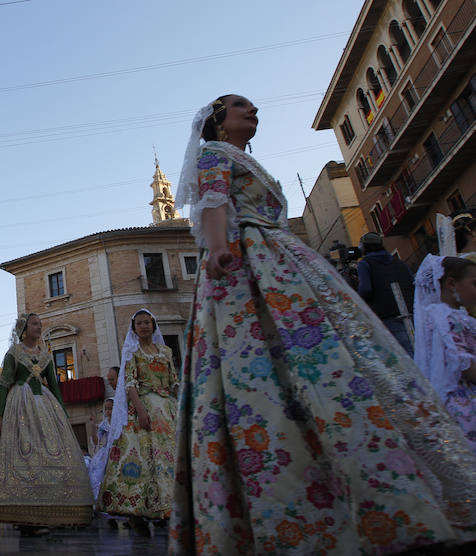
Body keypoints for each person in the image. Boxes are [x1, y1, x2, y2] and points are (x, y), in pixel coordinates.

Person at [168, 94, 476, 553]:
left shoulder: (243, 159)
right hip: (249, 265)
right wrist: (216, 248)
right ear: (218, 119)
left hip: (283, 262)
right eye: (240, 106)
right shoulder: (214, 154)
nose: (252, 111)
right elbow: (214, 202)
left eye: (254, 106)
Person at [0, 313, 93, 536]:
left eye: (40, 324)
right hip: (19, 403)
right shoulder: (14, 353)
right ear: (24, 328)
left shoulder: (45, 354)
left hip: (45, 405)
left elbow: (55, 386)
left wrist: (63, 413)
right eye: (35, 324)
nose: (39, 327)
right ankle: (23, 514)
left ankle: (49, 510)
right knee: (23, 454)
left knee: (49, 454)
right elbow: (3, 384)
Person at [95, 309, 178, 536]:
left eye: (147, 322)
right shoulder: (132, 353)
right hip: (144, 410)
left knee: (167, 459)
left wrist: (179, 404)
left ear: (153, 325)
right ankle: (138, 512)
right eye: (139, 323)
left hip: (168, 410)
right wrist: (140, 410)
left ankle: (167, 507)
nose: (143, 326)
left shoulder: (166, 351)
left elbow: (174, 381)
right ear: (134, 328)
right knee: (142, 459)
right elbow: (130, 383)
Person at [414, 255, 476, 451]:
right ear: (451, 284)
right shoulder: (445, 318)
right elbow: (463, 362)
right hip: (465, 402)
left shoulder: (450, 315)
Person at [356, 232, 415, 355]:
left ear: (365, 247)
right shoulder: (399, 263)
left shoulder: (364, 264)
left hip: (386, 314)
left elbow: (365, 289)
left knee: (405, 354)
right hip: (410, 311)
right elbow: (413, 282)